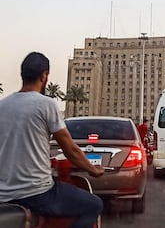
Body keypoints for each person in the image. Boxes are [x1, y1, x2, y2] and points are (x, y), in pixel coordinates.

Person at [0, 52, 104, 228]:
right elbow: (70, 150)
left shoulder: (3, 105)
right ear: (44, 75)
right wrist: (93, 169)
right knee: (94, 205)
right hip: (37, 193)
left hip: (4, 194)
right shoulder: (46, 104)